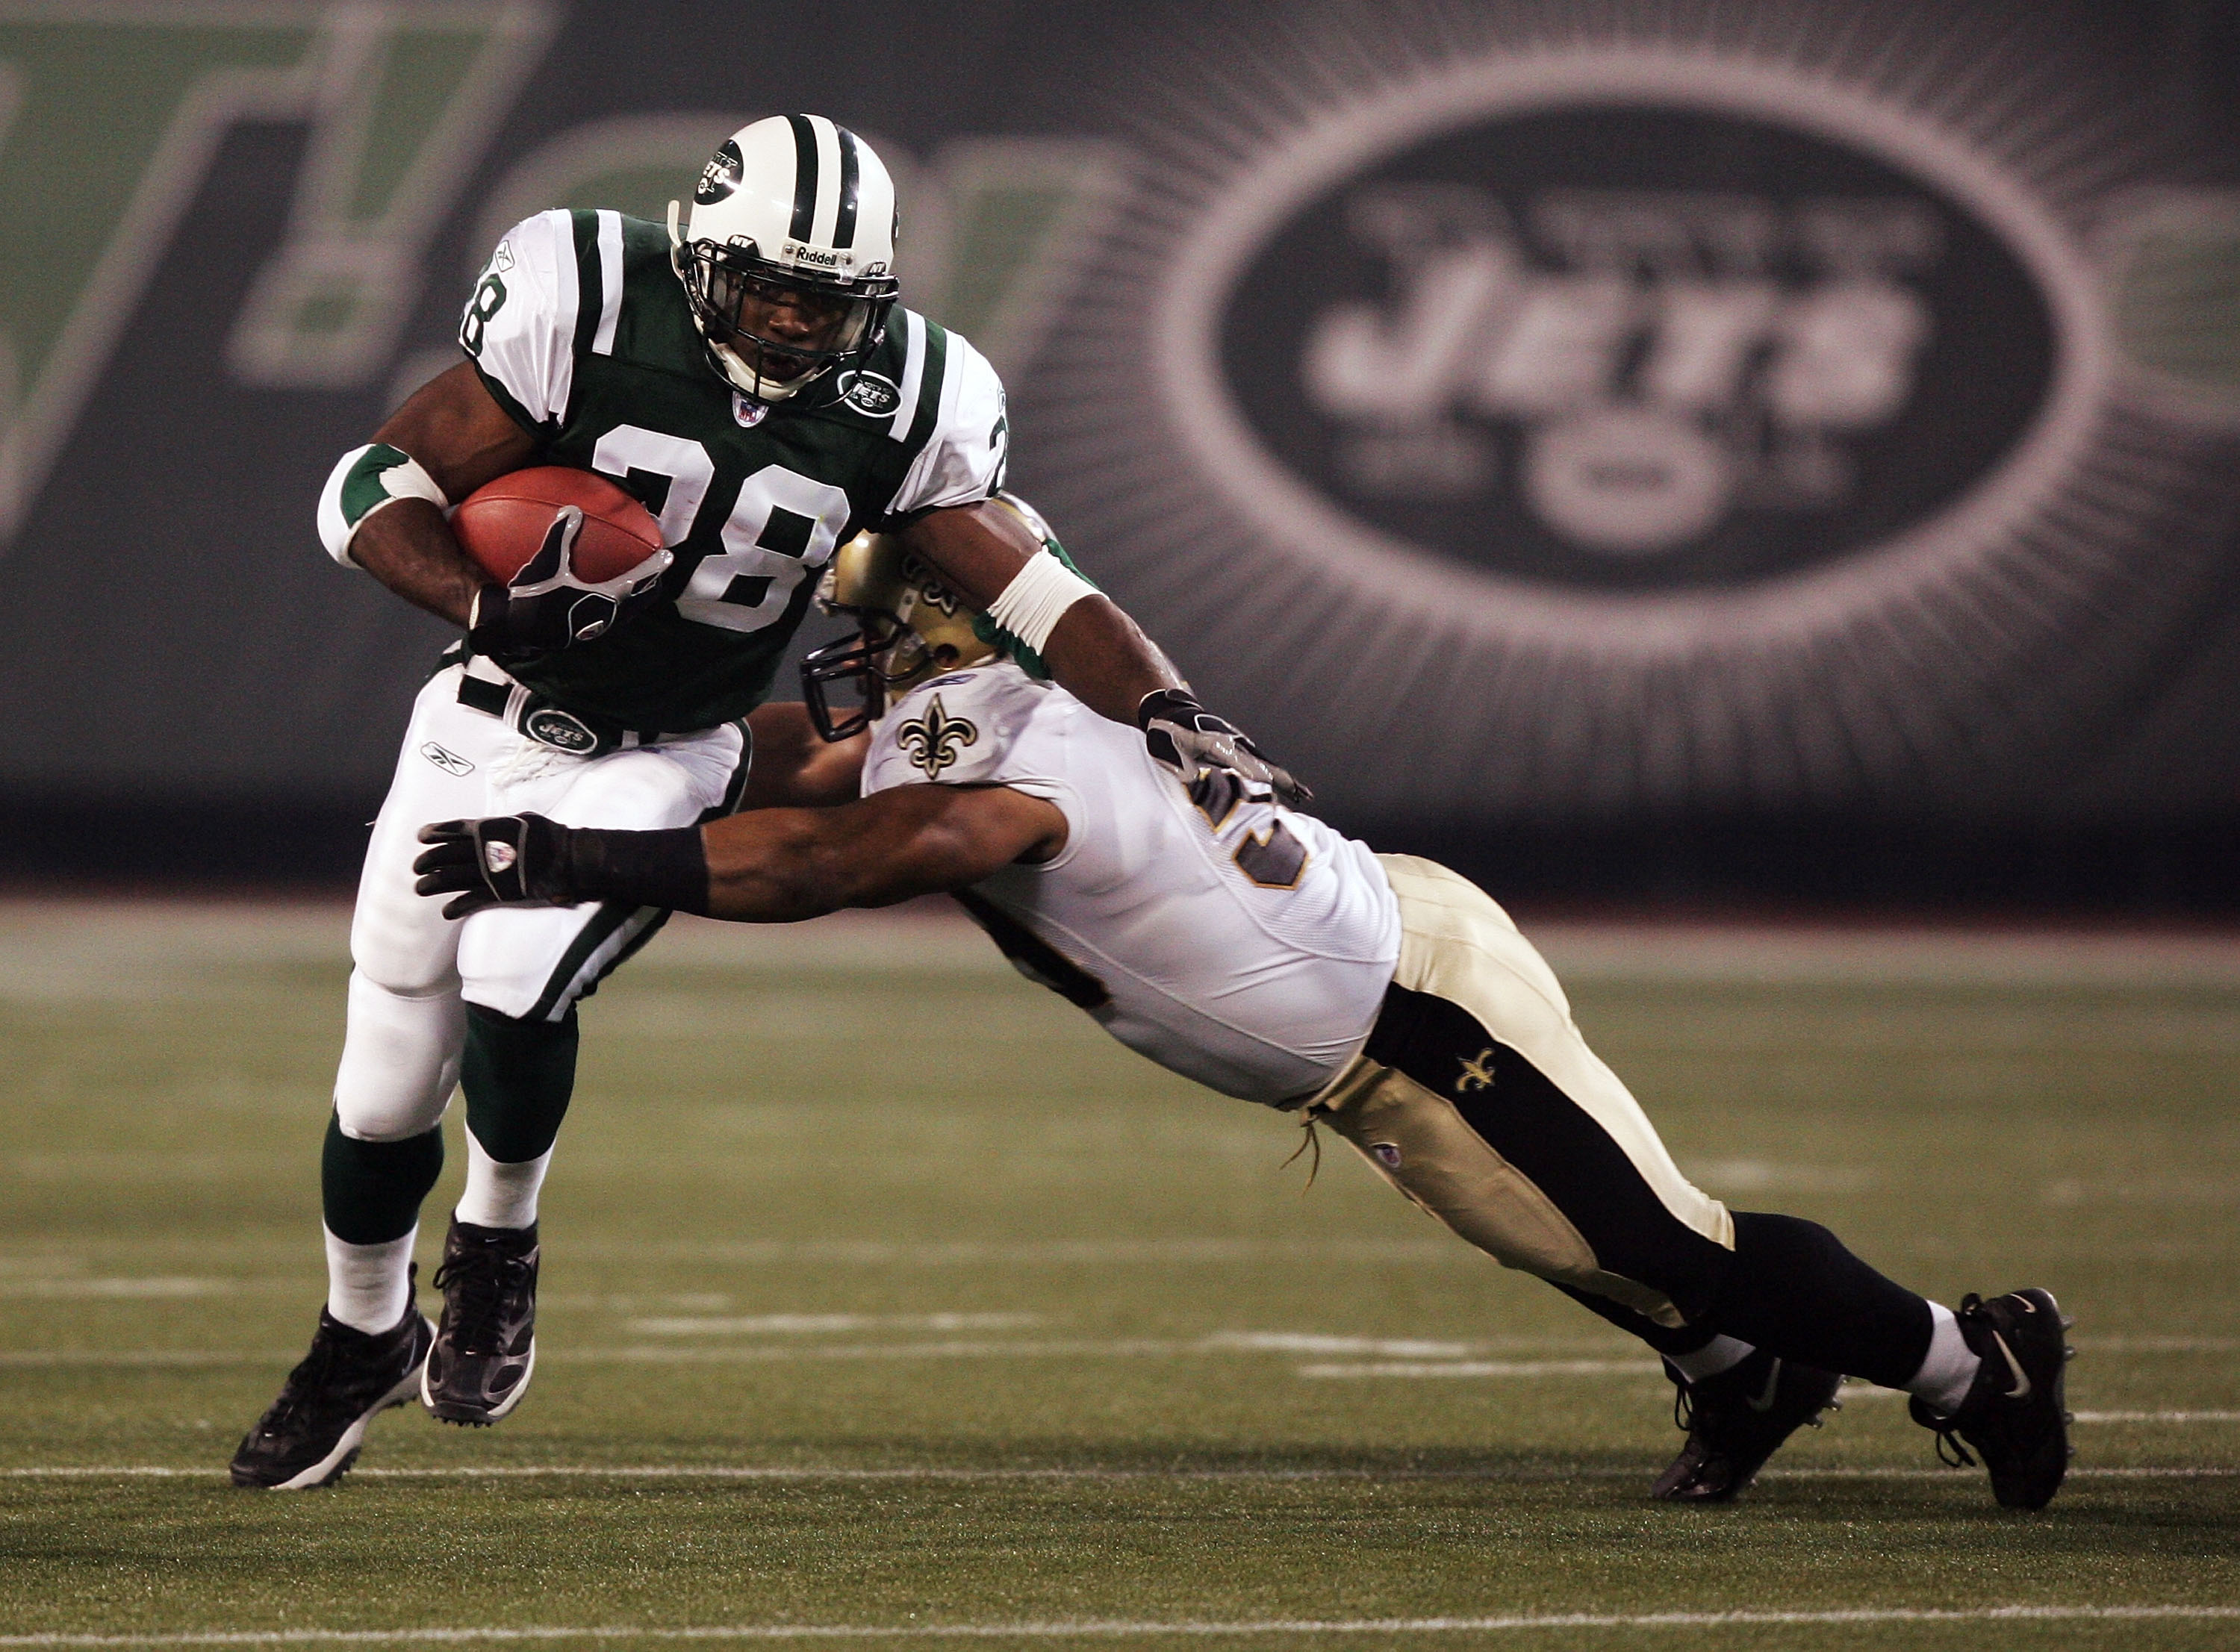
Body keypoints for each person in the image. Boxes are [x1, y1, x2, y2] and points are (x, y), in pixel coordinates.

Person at [414, 526, 2077, 1511]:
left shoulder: (999, 750)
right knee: (1566, 1240)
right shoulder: (995, 701)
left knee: (1672, 1237)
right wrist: (601, 735)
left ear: (947, 628)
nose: (846, 663)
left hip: (1416, 1012)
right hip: (1372, 1011)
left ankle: (1970, 1361)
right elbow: (796, 766)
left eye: (868, 629)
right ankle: (1747, 1381)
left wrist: (567, 850)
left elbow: (858, 850)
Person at [230, 115, 1291, 1491]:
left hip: (667, 742)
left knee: (513, 961)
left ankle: (500, 1236)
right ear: (702, 257)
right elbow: (373, 483)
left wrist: (1170, 705)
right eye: (770, 286)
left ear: (878, 295)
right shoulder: (589, 298)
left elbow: (1039, 589)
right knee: (380, 1088)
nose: (793, 321)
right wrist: (487, 600)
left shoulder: (912, 397)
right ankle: (358, 1332)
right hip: (476, 722)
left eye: (827, 298)